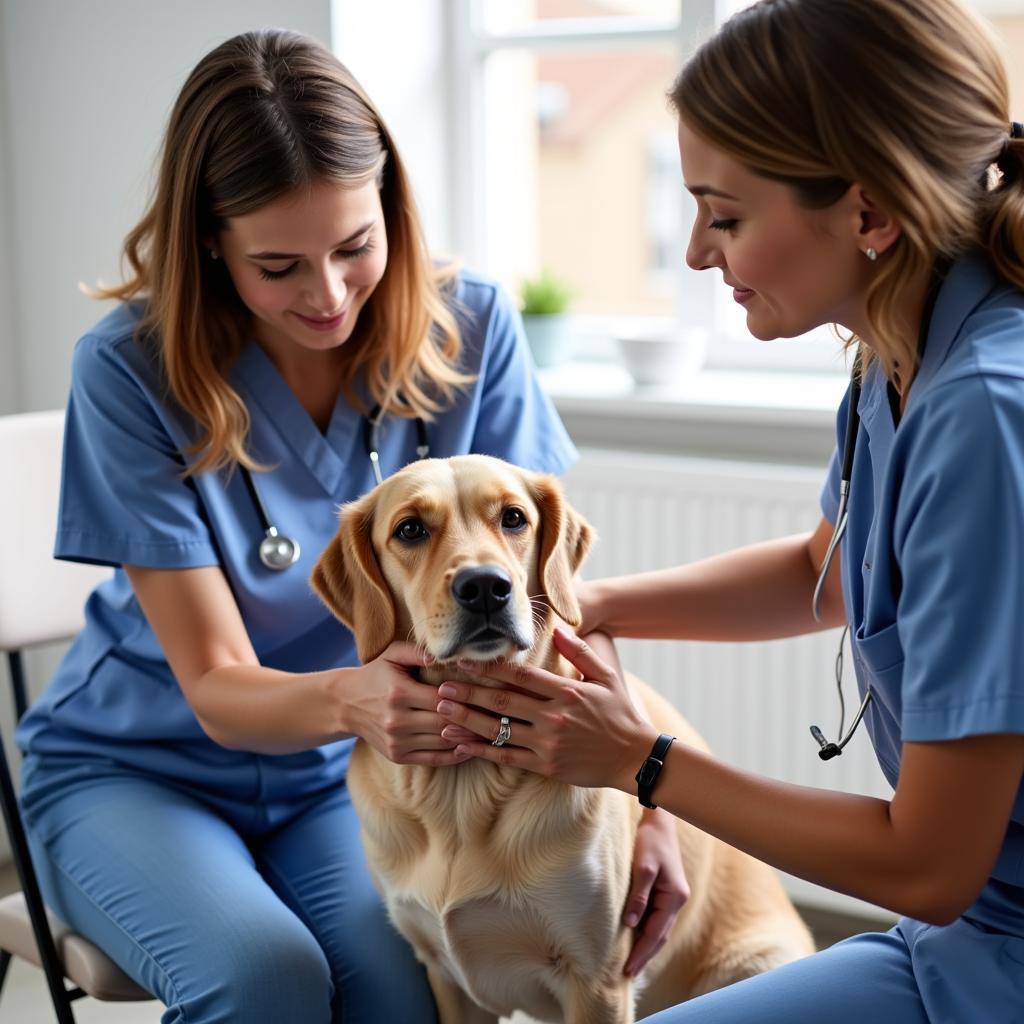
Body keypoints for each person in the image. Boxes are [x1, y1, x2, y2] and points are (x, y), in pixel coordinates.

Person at [14, 28, 687, 1024]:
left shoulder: (471, 329)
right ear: (210, 240)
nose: (326, 294)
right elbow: (215, 686)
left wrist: (647, 798)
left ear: (390, 209)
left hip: (349, 774)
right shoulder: (128, 370)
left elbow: (552, 595)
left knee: (405, 997)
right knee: (266, 980)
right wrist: (358, 700)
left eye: (353, 247)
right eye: (278, 264)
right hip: (138, 768)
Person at [433, 0, 1024, 1019]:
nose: (700, 254)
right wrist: (584, 604)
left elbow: (930, 864)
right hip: (965, 930)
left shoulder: (982, 415)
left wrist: (643, 762)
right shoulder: (899, 350)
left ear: (869, 214)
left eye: (727, 215)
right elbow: (824, 571)